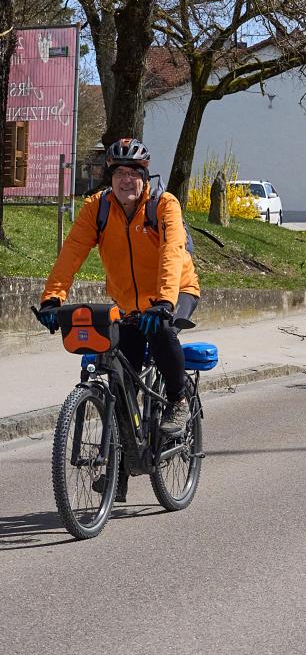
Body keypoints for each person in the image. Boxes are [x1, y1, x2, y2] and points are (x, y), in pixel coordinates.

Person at [38, 138, 199, 442]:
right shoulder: (96, 209)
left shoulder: (164, 205)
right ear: (110, 178)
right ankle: (119, 474)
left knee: (162, 330)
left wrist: (164, 301)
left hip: (177, 290)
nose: (126, 180)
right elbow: (71, 252)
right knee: (122, 382)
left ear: (144, 176)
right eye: (119, 173)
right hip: (127, 302)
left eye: (134, 173)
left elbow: (172, 252)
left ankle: (178, 401)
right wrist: (52, 298)